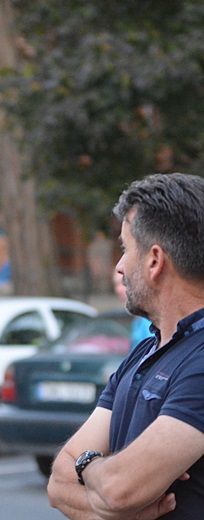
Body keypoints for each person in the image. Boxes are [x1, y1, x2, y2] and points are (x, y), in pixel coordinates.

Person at [48, 173, 204, 519]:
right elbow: (58, 483)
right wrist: (114, 506)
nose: (118, 266)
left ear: (154, 260)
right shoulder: (144, 353)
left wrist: (89, 463)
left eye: (124, 248)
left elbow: (120, 489)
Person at [112, 270, 153, 349]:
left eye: (124, 282)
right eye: (115, 285)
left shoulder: (150, 320)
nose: (118, 290)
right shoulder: (138, 319)